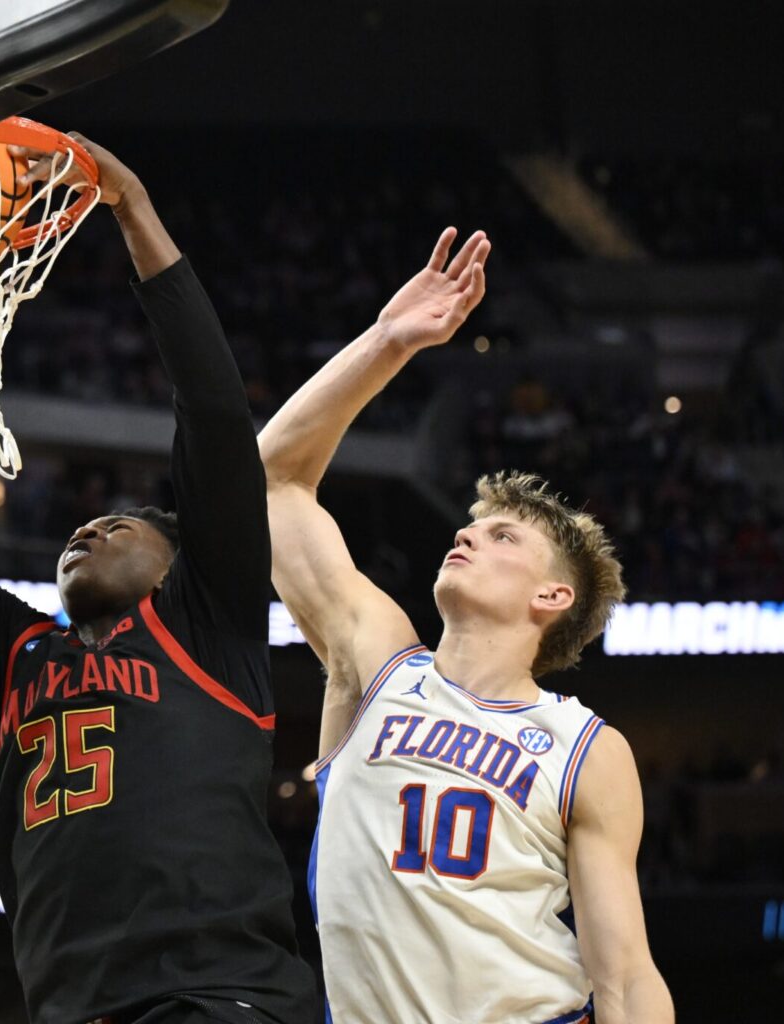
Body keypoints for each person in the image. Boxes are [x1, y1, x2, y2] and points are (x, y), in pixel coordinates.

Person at [0, 135, 318, 1024]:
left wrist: (134, 210)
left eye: (121, 525)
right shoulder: (16, 661)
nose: (87, 528)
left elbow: (213, 417)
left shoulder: (208, 624)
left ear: (181, 564)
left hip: (221, 999)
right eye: (83, 529)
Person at [259, 228, 673, 1023]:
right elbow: (272, 482)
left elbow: (624, 972)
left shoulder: (584, 748)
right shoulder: (375, 664)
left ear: (551, 598)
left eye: (501, 536)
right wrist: (386, 343)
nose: (467, 534)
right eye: (472, 526)